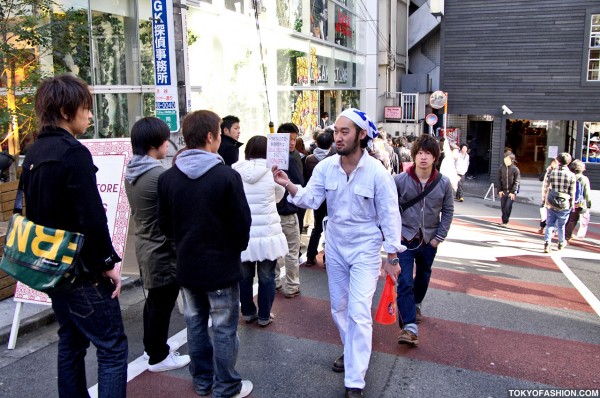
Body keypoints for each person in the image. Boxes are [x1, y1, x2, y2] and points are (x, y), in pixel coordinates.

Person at [272, 108, 404, 398]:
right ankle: (351, 350)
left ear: (362, 135)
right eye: (337, 131)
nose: (338, 136)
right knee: (339, 309)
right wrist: (287, 183)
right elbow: (309, 198)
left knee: (358, 312)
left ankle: (355, 381)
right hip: (334, 247)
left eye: (345, 131)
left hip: (366, 250)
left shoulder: (378, 173)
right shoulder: (326, 167)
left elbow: (390, 216)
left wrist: (392, 256)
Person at [22, 74, 127, 397]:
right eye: (85, 108)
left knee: (71, 342)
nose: (90, 115)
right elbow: (92, 217)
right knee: (112, 348)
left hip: (49, 267)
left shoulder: (35, 151)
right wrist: (109, 262)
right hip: (82, 271)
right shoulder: (73, 153)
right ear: (67, 111)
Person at [157, 110, 253, 398]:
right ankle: (226, 385)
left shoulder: (168, 179)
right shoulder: (226, 176)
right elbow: (241, 224)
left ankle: (202, 381)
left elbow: (165, 226)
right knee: (223, 328)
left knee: (195, 325)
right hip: (221, 265)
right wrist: (234, 247)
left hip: (187, 265)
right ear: (212, 136)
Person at [125, 117, 190, 372]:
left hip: (146, 244)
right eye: (166, 139)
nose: (168, 144)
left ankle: (153, 347)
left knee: (154, 302)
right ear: (155, 144)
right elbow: (175, 215)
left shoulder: (134, 170)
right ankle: (159, 356)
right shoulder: (157, 175)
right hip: (162, 249)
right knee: (162, 303)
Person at [394, 134, 454, 347]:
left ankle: (416, 303)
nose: (423, 157)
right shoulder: (399, 180)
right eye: (419, 153)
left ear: (435, 157)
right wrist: (394, 234)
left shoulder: (444, 183)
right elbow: (389, 208)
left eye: (428, 153)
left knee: (423, 277)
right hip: (405, 238)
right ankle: (409, 327)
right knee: (405, 281)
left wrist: (439, 237)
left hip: (429, 240)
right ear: (414, 155)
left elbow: (448, 210)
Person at [232, 136, 288, 327]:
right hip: (267, 233)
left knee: (244, 276)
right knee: (266, 277)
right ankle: (264, 316)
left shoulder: (235, 170)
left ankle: (247, 312)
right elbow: (280, 197)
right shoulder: (273, 171)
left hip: (242, 232)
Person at [275, 123, 304, 298]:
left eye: (294, 139)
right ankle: (292, 285)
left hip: (273, 212)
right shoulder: (291, 159)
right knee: (292, 251)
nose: (292, 143)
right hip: (288, 211)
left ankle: (276, 281)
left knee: (276, 251)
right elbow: (300, 184)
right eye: (288, 139)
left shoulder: (269, 158)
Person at [302, 131, 333, 267]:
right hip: (332, 198)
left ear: (317, 143)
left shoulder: (309, 159)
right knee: (331, 228)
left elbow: (307, 179)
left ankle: (310, 256)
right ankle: (328, 259)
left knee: (317, 227)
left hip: (317, 198)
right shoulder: (334, 159)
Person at [541, 152, 576, 253]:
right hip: (564, 203)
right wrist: (572, 204)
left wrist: (544, 200)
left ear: (558, 161)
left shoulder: (552, 172)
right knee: (561, 225)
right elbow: (572, 192)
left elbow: (546, 187)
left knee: (549, 224)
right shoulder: (571, 175)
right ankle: (561, 242)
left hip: (552, 201)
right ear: (569, 162)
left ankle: (547, 243)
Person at [565, 159, 592, 241]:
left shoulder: (568, 176)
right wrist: (588, 204)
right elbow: (587, 193)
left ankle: (564, 233)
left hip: (566, 200)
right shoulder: (584, 179)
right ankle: (567, 236)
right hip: (577, 202)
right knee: (573, 219)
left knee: (566, 218)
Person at [497, 151, 521, 226]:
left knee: (508, 206)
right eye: (505, 159)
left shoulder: (515, 169)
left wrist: (513, 191)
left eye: (507, 159)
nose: (505, 160)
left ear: (512, 160)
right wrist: (499, 190)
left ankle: (505, 221)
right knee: (503, 207)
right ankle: (504, 220)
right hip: (503, 190)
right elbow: (498, 179)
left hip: (511, 191)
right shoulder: (501, 168)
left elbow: (517, 181)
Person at [538, 158, 558, 233]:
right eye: (553, 162)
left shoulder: (558, 172)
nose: (554, 164)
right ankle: (542, 227)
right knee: (544, 212)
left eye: (555, 163)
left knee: (552, 213)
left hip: (553, 195)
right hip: (545, 194)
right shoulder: (548, 171)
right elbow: (540, 178)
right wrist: (546, 171)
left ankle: (552, 229)